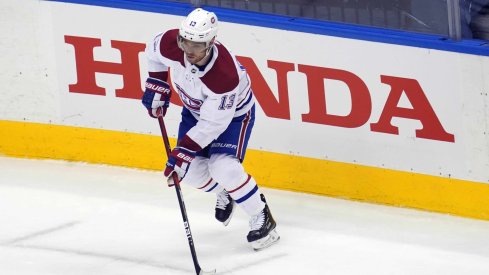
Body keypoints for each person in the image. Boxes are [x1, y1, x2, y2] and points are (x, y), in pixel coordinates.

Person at [141, 8, 279, 251]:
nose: (189, 51)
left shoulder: (224, 76)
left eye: (197, 45)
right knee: (190, 171)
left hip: (233, 117)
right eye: (185, 42)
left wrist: (183, 150)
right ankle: (228, 191)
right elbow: (152, 51)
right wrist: (158, 82)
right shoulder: (173, 44)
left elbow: (214, 124)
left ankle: (262, 216)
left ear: (211, 42)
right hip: (195, 112)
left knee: (222, 166)